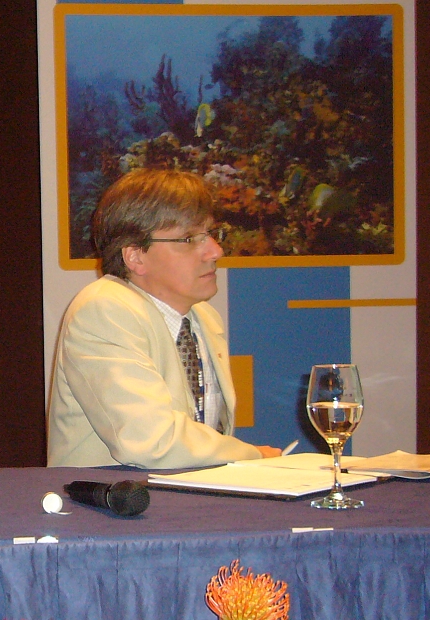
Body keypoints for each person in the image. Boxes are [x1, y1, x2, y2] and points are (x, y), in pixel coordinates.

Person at [47, 169, 278, 468]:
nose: (215, 251)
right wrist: (254, 456)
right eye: (189, 239)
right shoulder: (104, 309)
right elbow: (150, 441)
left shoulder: (204, 317)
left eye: (211, 234)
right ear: (135, 256)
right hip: (117, 496)